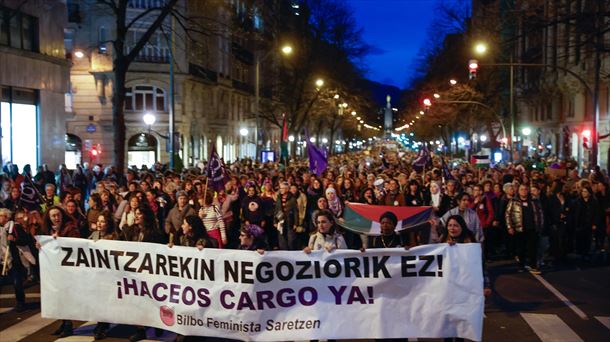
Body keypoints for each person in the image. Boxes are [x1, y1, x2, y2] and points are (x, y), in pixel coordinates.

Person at [440, 215, 491, 342]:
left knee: (461, 325)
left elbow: (481, 266)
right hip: (447, 290)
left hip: (464, 291)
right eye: (450, 225)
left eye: (456, 225)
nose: (452, 228)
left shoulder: (472, 245)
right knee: (448, 324)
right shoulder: (441, 243)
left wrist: (486, 285)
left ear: (462, 227)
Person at [505, 184, 543, 274]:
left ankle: (533, 265)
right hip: (519, 228)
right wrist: (509, 226)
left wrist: (540, 225)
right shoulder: (513, 201)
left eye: (525, 189)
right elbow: (507, 214)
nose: (523, 191)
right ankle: (521, 265)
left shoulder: (534, 201)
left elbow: (540, 213)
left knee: (533, 248)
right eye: (521, 189)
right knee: (520, 248)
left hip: (532, 228)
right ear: (518, 191)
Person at [1, 208, 33, 312]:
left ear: (6, 217)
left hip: (14, 259)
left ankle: (21, 303)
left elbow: (25, 240)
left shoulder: (14, 226)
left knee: (17, 282)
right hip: (3, 258)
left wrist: (14, 240)